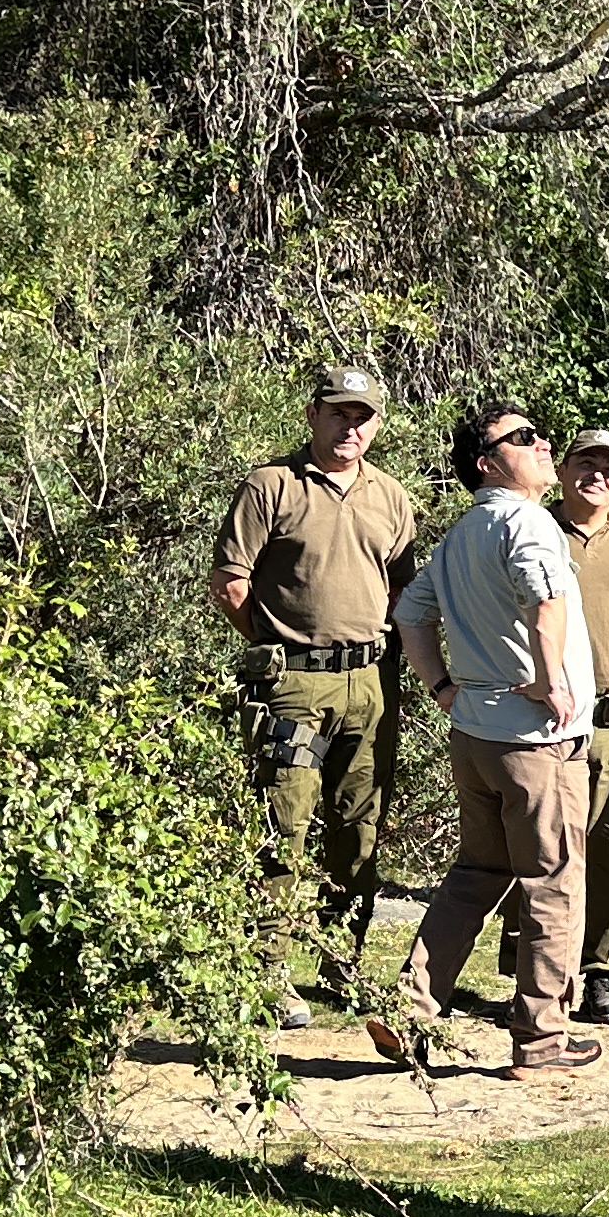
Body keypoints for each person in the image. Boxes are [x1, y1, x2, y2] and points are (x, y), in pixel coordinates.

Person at [392, 402, 605, 1076]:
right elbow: (546, 607)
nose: (542, 443)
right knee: (552, 881)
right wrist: (549, 682)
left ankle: (408, 1009)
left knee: (478, 873)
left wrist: (441, 689)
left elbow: (409, 615)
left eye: (538, 433)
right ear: (487, 463)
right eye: (521, 438)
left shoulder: (461, 535)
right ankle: (541, 1040)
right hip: (538, 740)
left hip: (476, 734)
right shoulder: (529, 524)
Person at [213, 367, 421, 1033]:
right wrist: (276, 647)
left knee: (359, 827)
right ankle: (268, 969)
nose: (350, 427)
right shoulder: (271, 485)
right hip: (292, 687)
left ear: (377, 424)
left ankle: (342, 960)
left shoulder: (391, 497)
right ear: (313, 415)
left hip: (369, 683)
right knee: (286, 821)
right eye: (338, 413)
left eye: (362, 416)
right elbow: (230, 582)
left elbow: (403, 594)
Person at [492, 429, 609, 1029]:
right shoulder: (531, 528)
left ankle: (603, 973)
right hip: (543, 719)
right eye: (585, 463)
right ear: (564, 467)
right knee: (538, 848)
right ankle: (534, 979)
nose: (597, 476)